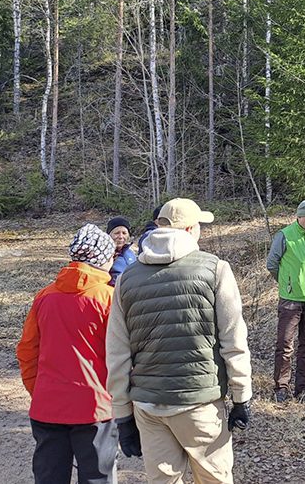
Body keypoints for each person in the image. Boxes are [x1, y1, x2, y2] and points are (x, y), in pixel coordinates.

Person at [106, 198, 252, 484]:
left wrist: (122, 415)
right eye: (199, 226)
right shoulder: (215, 270)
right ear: (189, 229)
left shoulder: (127, 278)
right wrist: (241, 396)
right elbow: (233, 340)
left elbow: (117, 352)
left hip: (148, 407)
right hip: (200, 403)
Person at [16, 224, 119, 484]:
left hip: (47, 406)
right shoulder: (109, 298)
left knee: (49, 478)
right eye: (111, 255)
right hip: (95, 409)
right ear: (102, 258)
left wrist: (38, 390)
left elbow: (27, 350)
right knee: (99, 478)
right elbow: (122, 355)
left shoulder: (44, 297)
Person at [266, 199, 305, 403]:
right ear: (298, 217)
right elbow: (272, 263)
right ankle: (281, 386)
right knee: (285, 344)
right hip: (290, 300)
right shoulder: (285, 235)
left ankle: (303, 389)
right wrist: (286, 283)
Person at [106, 216, 137, 285]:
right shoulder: (104, 255)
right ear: (109, 235)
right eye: (117, 233)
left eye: (124, 233)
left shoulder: (130, 253)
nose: (121, 236)